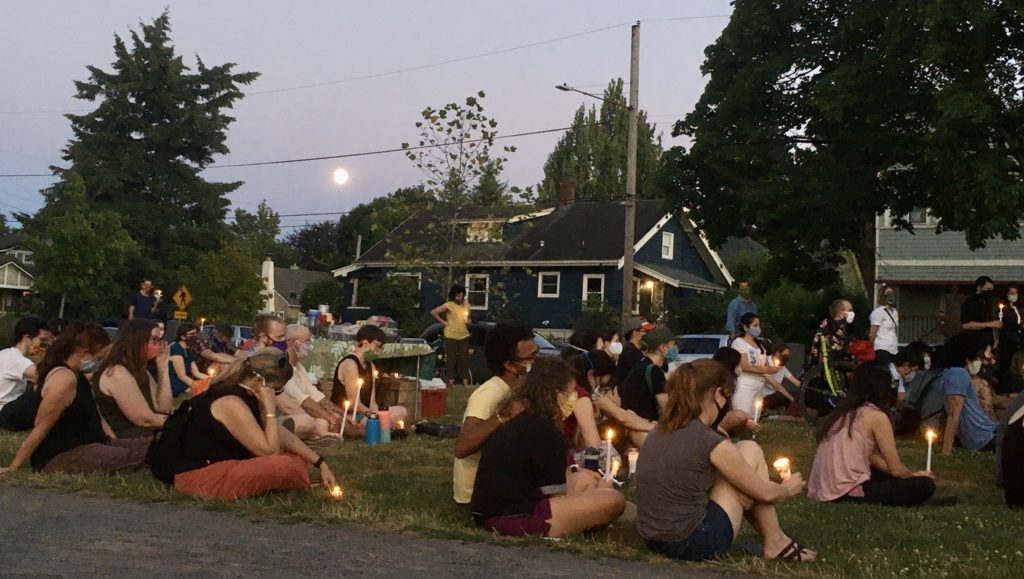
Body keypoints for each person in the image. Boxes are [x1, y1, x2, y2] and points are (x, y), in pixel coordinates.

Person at [636, 360, 815, 563]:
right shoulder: (707, 440)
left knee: (741, 475)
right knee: (750, 449)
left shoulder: (659, 431)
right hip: (694, 541)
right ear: (718, 394)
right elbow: (766, 493)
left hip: (652, 538)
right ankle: (775, 541)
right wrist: (787, 488)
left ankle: (776, 540)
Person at [470, 357, 625, 537]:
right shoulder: (545, 430)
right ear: (556, 393)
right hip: (518, 517)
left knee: (584, 480)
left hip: (498, 509)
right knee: (614, 500)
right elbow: (555, 494)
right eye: (570, 392)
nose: (573, 398)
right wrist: (600, 492)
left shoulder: (522, 419)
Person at [173, 348, 339, 501]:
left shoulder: (248, 393)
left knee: (295, 460)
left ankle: (285, 484)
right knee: (283, 465)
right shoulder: (230, 401)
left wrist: (319, 462)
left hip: (227, 463)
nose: (277, 395)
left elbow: (280, 435)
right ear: (261, 382)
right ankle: (284, 485)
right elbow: (269, 451)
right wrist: (269, 408)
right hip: (201, 476)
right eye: (277, 390)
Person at [0, 323, 151, 475]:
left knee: (153, 444)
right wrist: (14, 467)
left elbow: (97, 416)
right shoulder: (64, 379)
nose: (99, 362)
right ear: (84, 353)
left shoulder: (79, 376)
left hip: (92, 442)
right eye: (99, 357)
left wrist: (113, 442)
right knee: (149, 454)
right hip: (64, 454)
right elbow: (42, 426)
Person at [808, 364, 936, 506]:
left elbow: (872, 459)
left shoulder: (844, 412)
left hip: (826, 485)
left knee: (882, 474)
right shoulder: (875, 416)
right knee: (925, 484)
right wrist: (912, 476)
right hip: (846, 491)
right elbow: (895, 468)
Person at [452, 321, 536, 510]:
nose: (535, 363)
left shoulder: (517, 390)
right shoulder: (490, 392)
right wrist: (502, 416)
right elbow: (462, 447)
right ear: (510, 365)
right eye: (531, 358)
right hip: (478, 496)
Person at [93, 319, 173, 438]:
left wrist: (163, 368)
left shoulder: (142, 371)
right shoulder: (116, 372)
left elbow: (164, 408)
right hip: (124, 440)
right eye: (154, 340)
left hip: (145, 435)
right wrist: (179, 421)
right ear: (137, 341)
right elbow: (144, 419)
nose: (159, 345)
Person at [330, 325, 407, 435]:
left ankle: (382, 427)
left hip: (366, 413)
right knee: (373, 422)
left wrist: (377, 414)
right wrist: (374, 417)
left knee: (401, 411)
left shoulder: (370, 365)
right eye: (378, 346)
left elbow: (372, 402)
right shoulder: (350, 364)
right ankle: (383, 428)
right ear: (365, 343)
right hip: (348, 414)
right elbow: (353, 402)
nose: (379, 351)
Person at [280, 324, 344, 440]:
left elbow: (316, 397)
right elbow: (303, 401)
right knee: (318, 421)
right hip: (289, 418)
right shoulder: (283, 369)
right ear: (292, 342)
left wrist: (342, 415)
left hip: (303, 414)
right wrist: (329, 417)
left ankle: (323, 436)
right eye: (307, 342)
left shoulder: (299, 367)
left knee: (325, 421)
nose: (310, 346)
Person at [941, 332, 998, 454]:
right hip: (985, 437)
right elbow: (953, 414)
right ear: (967, 358)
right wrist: (946, 451)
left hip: (984, 435)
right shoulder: (959, 374)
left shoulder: (952, 374)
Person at [619, 327, 677, 435]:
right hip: (645, 428)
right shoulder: (654, 371)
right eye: (673, 345)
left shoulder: (642, 365)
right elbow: (665, 408)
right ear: (663, 348)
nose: (676, 348)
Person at [0, 317, 53, 430]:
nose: (44, 348)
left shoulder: (9, 355)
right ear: (27, 339)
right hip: (5, 412)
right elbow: (41, 376)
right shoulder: (14, 357)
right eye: (42, 343)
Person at [729, 314, 777, 417]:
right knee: (742, 415)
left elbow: (765, 364)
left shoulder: (760, 345)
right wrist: (767, 370)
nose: (758, 328)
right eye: (755, 325)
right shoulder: (739, 343)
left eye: (759, 325)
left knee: (754, 416)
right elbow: (745, 366)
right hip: (745, 385)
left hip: (759, 385)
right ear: (746, 327)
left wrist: (772, 368)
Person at [431, 285, 472, 387]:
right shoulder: (449, 305)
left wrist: (468, 322)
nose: (459, 298)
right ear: (453, 296)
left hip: (464, 335)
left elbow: (469, 320)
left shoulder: (467, 306)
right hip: (451, 335)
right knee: (451, 359)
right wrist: (443, 322)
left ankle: (465, 382)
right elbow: (434, 312)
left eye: (461, 296)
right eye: (457, 296)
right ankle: (450, 381)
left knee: (464, 359)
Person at [960, 276, 1000, 348]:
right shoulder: (970, 302)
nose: (989, 292)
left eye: (991, 290)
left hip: (988, 343)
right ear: (979, 287)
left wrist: (995, 338)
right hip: (975, 342)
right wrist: (988, 324)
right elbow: (965, 325)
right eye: (987, 289)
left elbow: (989, 320)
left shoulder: (987, 302)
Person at [614, 316, 656, 384]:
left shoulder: (639, 350)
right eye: (646, 331)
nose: (649, 334)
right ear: (635, 333)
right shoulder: (629, 351)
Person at [868, 285, 900, 366]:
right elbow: (873, 332)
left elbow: (895, 330)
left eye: (892, 293)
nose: (891, 295)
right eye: (888, 293)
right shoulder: (879, 312)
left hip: (893, 348)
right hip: (882, 347)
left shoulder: (895, 312)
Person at [997, 284, 1021, 392]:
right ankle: (1004, 387)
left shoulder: (1016, 307)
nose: (1014, 295)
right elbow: (1005, 324)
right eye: (1012, 293)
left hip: (1017, 339)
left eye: (1015, 293)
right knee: (1006, 364)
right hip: (1007, 339)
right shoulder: (1004, 308)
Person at [168, 323, 202, 396]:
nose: (195, 336)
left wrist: (213, 381)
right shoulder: (176, 349)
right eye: (192, 334)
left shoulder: (187, 350)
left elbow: (196, 373)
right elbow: (182, 376)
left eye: (196, 333)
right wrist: (199, 387)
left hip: (181, 380)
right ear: (183, 336)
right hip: (172, 382)